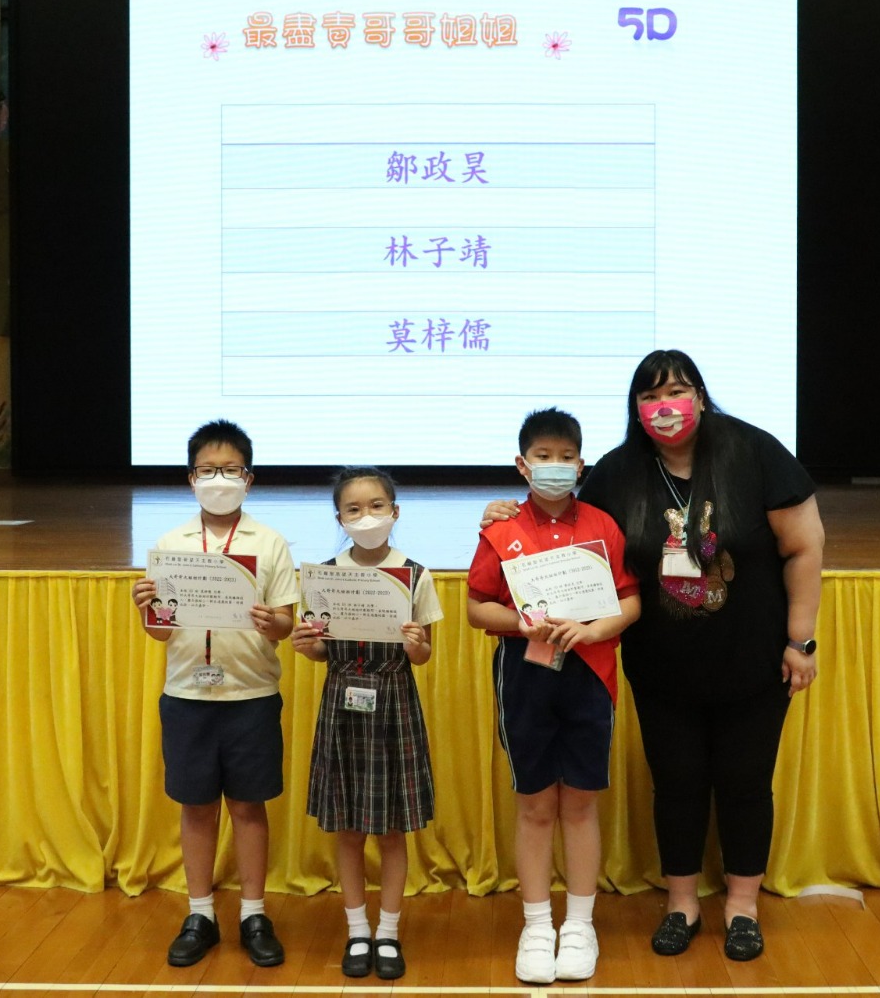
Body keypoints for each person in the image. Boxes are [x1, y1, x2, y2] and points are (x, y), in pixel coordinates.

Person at [490, 350, 823, 962]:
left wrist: (799, 641)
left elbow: (804, 547)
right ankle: (681, 904)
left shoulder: (754, 451)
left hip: (753, 660)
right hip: (661, 666)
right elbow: (567, 533)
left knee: (746, 783)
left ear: (700, 396)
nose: (664, 407)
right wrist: (504, 511)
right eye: (650, 397)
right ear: (636, 409)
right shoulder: (618, 473)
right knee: (676, 783)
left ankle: (743, 907)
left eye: (676, 391)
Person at [466, 409, 641, 985]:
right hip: (525, 676)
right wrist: (522, 623)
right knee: (536, 807)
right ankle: (538, 926)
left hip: (590, 674)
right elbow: (476, 608)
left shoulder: (603, 526)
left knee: (582, 805)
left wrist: (593, 630)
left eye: (566, 457)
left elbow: (630, 600)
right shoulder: (501, 530)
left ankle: (581, 925)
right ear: (523, 464)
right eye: (544, 457)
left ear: (581, 465)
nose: (555, 466)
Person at [130, 420, 299, 969]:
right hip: (186, 694)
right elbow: (160, 632)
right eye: (208, 470)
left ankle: (254, 914)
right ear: (191, 478)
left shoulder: (269, 543)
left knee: (249, 806)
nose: (218, 479)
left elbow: (286, 624)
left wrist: (271, 621)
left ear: (248, 478)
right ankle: (199, 913)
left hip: (251, 694)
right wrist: (145, 610)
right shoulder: (170, 546)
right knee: (196, 807)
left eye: (230, 470)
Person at [291, 467, 441, 981]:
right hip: (342, 700)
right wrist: (308, 647)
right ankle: (357, 930)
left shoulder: (415, 574)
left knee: (393, 830)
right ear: (340, 519)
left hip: (394, 699)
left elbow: (423, 655)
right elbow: (320, 648)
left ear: (395, 512)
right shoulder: (324, 576)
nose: (366, 516)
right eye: (353, 509)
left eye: (377, 506)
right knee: (349, 827)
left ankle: (389, 932)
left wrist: (417, 647)